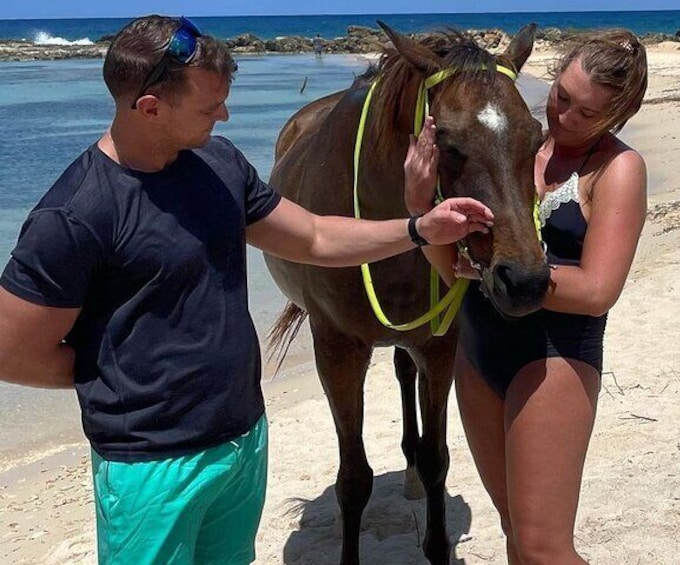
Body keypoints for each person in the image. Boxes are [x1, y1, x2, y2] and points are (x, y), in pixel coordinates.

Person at [0, 15, 492, 565]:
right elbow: (12, 353)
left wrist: (419, 229)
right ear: (150, 108)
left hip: (241, 440)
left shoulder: (218, 164)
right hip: (151, 468)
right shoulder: (75, 214)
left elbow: (315, 235)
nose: (226, 115)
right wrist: (122, 379)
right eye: (210, 108)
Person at [404, 29, 648, 564]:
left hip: (553, 358)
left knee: (544, 548)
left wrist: (512, 270)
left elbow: (598, 291)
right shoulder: (512, 142)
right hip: (479, 351)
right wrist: (419, 203)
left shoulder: (617, 169)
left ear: (619, 114)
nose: (563, 118)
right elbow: (454, 272)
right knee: (515, 531)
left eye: (586, 113)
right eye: (561, 96)